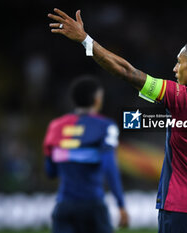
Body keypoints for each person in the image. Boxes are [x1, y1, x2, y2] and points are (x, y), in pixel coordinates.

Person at [48, 8, 187, 233]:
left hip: (181, 207)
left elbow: (127, 72)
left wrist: (85, 40)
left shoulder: (180, 96)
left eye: (179, 62)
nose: (174, 69)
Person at [43, 76, 129, 233]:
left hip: (64, 206)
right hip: (93, 206)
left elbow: (50, 171)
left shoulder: (55, 126)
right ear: (97, 100)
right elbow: (109, 167)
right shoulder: (105, 126)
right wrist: (121, 204)